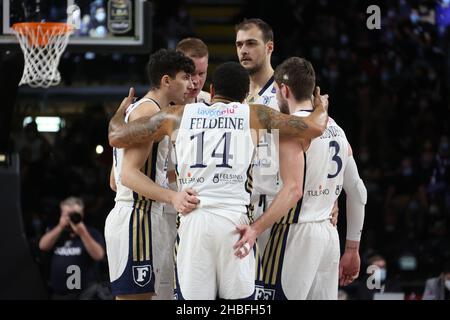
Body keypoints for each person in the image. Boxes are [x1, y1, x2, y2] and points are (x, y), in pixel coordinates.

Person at [108, 61, 329, 299]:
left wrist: (121, 112)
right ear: (245, 96)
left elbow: (116, 135)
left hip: (194, 221)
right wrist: (321, 105)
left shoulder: (177, 115)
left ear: (211, 91)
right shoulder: (254, 114)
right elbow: (315, 126)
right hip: (235, 225)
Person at [233, 57, 366, 300]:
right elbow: (357, 191)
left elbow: (293, 190)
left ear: (284, 90)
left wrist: (255, 228)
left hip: (293, 234)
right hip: (328, 235)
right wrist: (352, 248)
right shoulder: (336, 128)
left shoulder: (291, 129)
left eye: (275, 92)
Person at [235, 19, 338, 253]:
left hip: (277, 207)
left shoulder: (287, 92)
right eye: (239, 44)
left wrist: (332, 197)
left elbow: (322, 144)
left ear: (269, 47)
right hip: (241, 203)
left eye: (251, 43)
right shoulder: (235, 93)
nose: (244, 50)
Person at [106, 49, 199, 300]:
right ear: (166, 81)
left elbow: (114, 180)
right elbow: (127, 175)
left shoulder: (147, 109)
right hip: (138, 217)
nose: (191, 84)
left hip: (141, 215)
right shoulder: (148, 112)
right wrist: (173, 197)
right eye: (185, 77)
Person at [39, 197, 105, 300]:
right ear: (61, 214)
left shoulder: (92, 233)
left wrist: (82, 233)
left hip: (86, 293)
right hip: (59, 294)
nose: (70, 218)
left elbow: (99, 256)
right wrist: (60, 227)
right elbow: (43, 246)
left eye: (74, 214)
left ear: (81, 214)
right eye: (67, 214)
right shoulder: (55, 231)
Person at [176, 37, 211, 104]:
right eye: (191, 73)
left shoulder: (211, 103)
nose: (196, 81)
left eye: (201, 74)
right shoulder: (156, 106)